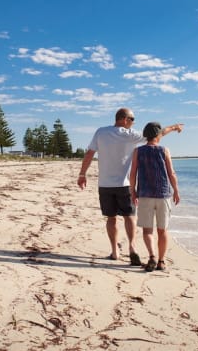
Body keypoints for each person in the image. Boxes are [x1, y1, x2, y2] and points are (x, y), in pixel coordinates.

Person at [77, 108, 183, 265]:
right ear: (125, 119)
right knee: (129, 216)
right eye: (132, 119)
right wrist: (174, 127)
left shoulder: (100, 132)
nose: (133, 122)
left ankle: (114, 251)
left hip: (105, 184)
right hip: (124, 184)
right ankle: (132, 248)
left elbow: (90, 153)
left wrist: (82, 174)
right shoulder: (130, 135)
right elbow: (157, 135)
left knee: (111, 218)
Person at [129, 122, 180, 272]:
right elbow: (171, 173)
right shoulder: (164, 150)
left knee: (147, 230)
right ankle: (161, 261)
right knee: (162, 230)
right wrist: (176, 190)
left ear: (145, 135)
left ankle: (151, 256)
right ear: (158, 136)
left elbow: (133, 174)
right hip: (163, 194)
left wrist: (133, 191)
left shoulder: (138, 151)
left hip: (145, 194)